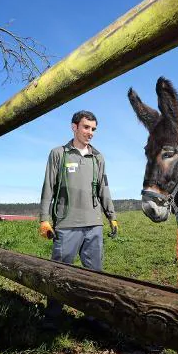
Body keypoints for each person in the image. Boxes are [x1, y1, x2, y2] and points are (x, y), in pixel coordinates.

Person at [39, 110, 118, 329]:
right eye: (86, 127)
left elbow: (104, 189)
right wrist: (44, 219)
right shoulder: (59, 154)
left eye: (93, 129)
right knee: (59, 273)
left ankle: (94, 316)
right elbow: (49, 187)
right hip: (67, 224)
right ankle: (53, 317)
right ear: (74, 127)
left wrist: (111, 216)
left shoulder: (98, 158)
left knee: (94, 275)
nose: (90, 133)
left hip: (94, 225)